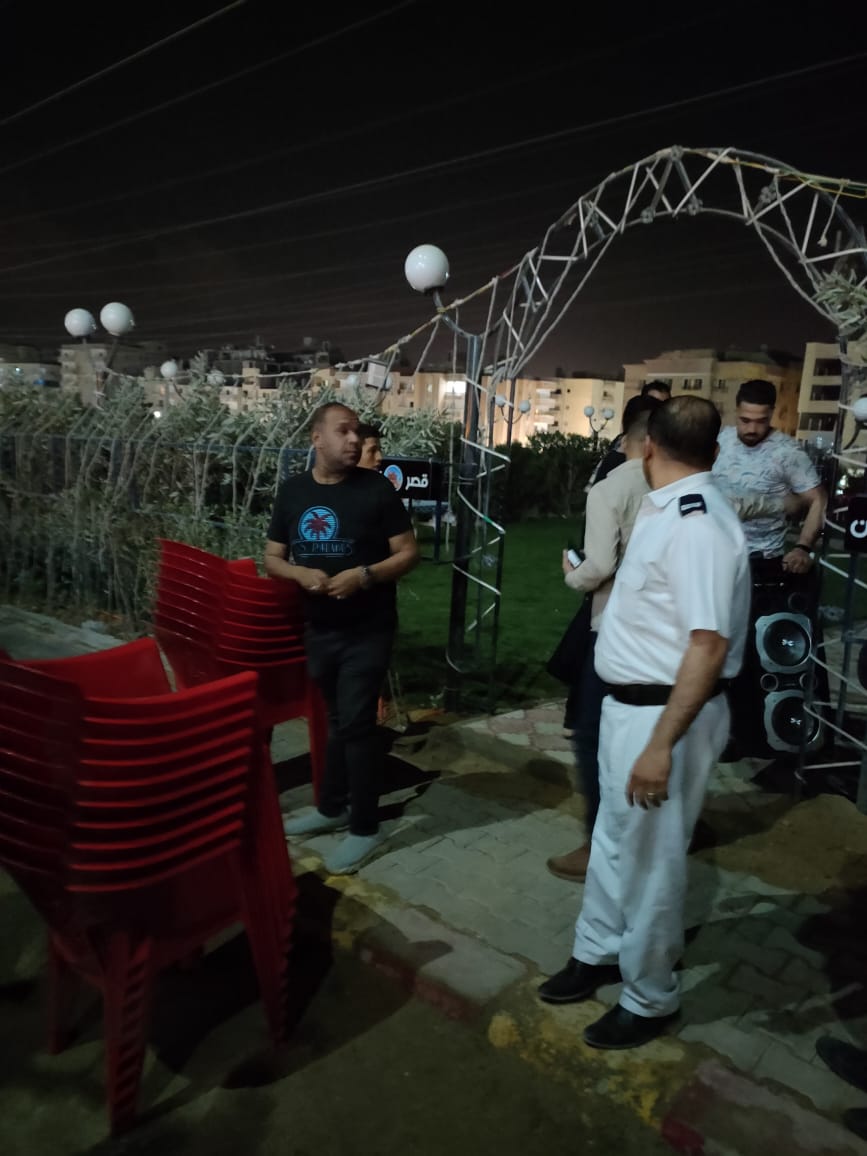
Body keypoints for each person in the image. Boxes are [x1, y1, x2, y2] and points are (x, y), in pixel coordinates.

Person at [538, 396, 751, 1051]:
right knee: (613, 838)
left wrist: (661, 745)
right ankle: (599, 950)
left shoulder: (697, 524)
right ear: (714, 450)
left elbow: (707, 645)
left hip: (664, 715)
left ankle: (649, 995)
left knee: (652, 861)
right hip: (627, 707)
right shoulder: (669, 509)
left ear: (648, 446)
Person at [265, 402, 419, 875]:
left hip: (367, 628)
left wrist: (364, 576)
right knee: (336, 720)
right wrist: (299, 573)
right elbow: (272, 556)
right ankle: (332, 807)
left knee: (355, 723)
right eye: (343, 431)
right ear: (317, 438)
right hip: (319, 627)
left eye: (356, 432)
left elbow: (408, 553)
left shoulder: (376, 489)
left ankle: (366, 828)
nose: (354, 440)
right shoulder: (294, 491)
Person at [548, 401, 660, 882]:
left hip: (614, 630)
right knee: (645, 735)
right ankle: (650, 833)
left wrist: (573, 575)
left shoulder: (612, 487)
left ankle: (600, 844)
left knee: (594, 734)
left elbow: (598, 566)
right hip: (664, 637)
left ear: (629, 439)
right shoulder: (682, 487)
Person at [712, 378, 827, 758]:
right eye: (745, 420)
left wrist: (803, 546)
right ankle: (720, 733)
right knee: (714, 650)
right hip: (717, 562)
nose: (751, 429)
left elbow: (817, 499)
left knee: (756, 654)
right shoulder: (719, 442)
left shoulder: (787, 452)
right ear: (736, 412)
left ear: (772, 415)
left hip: (763, 564)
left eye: (760, 421)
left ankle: (757, 735)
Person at [590, 381, 672, 485]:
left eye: (664, 405)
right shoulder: (617, 454)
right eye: (654, 403)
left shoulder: (668, 453)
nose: (659, 410)